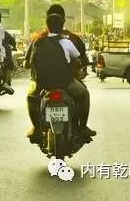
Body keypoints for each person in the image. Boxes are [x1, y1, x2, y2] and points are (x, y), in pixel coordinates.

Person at [26, 12, 96, 142]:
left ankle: (35, 128)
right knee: (84, 94)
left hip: (42, 83)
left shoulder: (38, 42)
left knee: (30, 98)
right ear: (62, 26)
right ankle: (83, 127)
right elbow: (78, 58)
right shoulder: (67, 42)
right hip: (65, 83)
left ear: (47, 27)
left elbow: (29, 62)